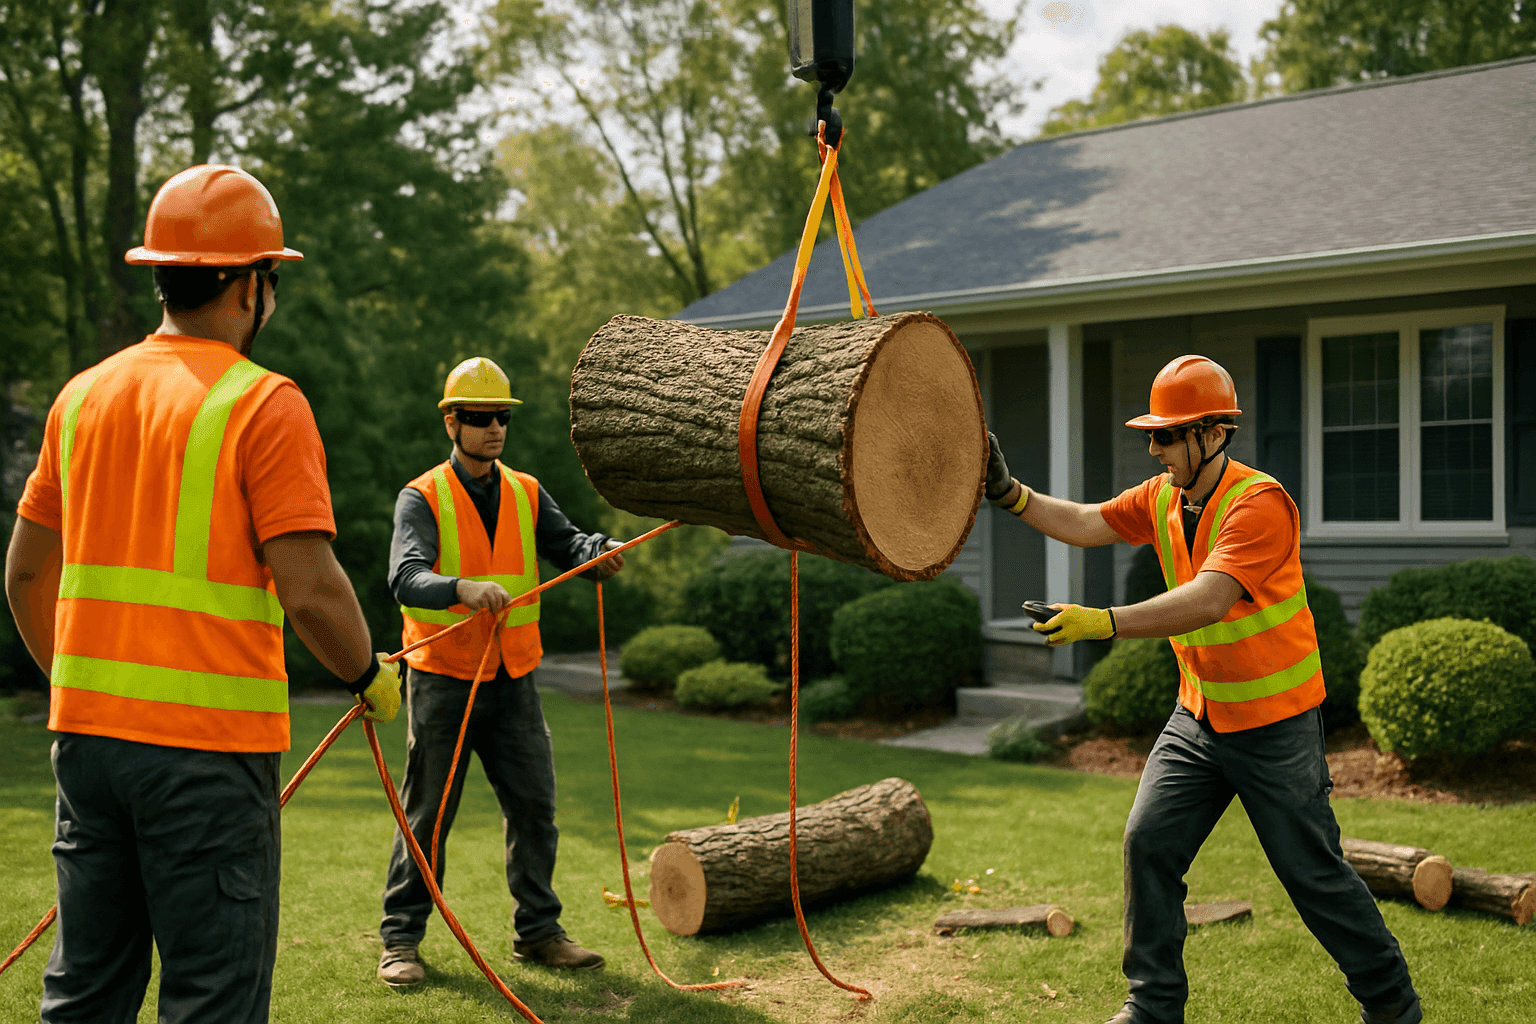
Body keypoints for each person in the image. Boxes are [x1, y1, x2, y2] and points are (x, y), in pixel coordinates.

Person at [3, 164, 401, 1024]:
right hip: (206, 763)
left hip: (89, 750)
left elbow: (25, 575)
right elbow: (310, 592)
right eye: (272, 277)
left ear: (165, 274)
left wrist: (77, 687)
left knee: (84, 998)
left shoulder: (80, 399)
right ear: (250, 283)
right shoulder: (264, 403)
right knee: (211, 1001)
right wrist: (367, 672)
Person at [983, 355, 1422, 1024]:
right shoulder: (1163, 496)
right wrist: (1010, 491)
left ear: (1212, 434)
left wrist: (1103, 623)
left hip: (1275, 726)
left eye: (1166, 435)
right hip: (1199, 717)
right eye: (1150, 436)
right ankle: (1153, 1006)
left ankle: (1392, 1005)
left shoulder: (1260, 503)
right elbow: (1087, 522)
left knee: (1313, 874)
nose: (1154, 448)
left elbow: (1211, 599)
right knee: (1148, 841)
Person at [376, 356, 623, 986]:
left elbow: (570, 546)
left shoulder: (526, 491)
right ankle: (400, 940)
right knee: (427, 815)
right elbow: (404, 578)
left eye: (501, 418)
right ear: (452, 423)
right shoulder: (422, 496)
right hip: (443, 681)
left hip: (514, 680)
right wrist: (461, 586)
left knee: (535, 808)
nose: (494, 429)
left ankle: (539, 933)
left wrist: (600, 553)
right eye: (480, 418)